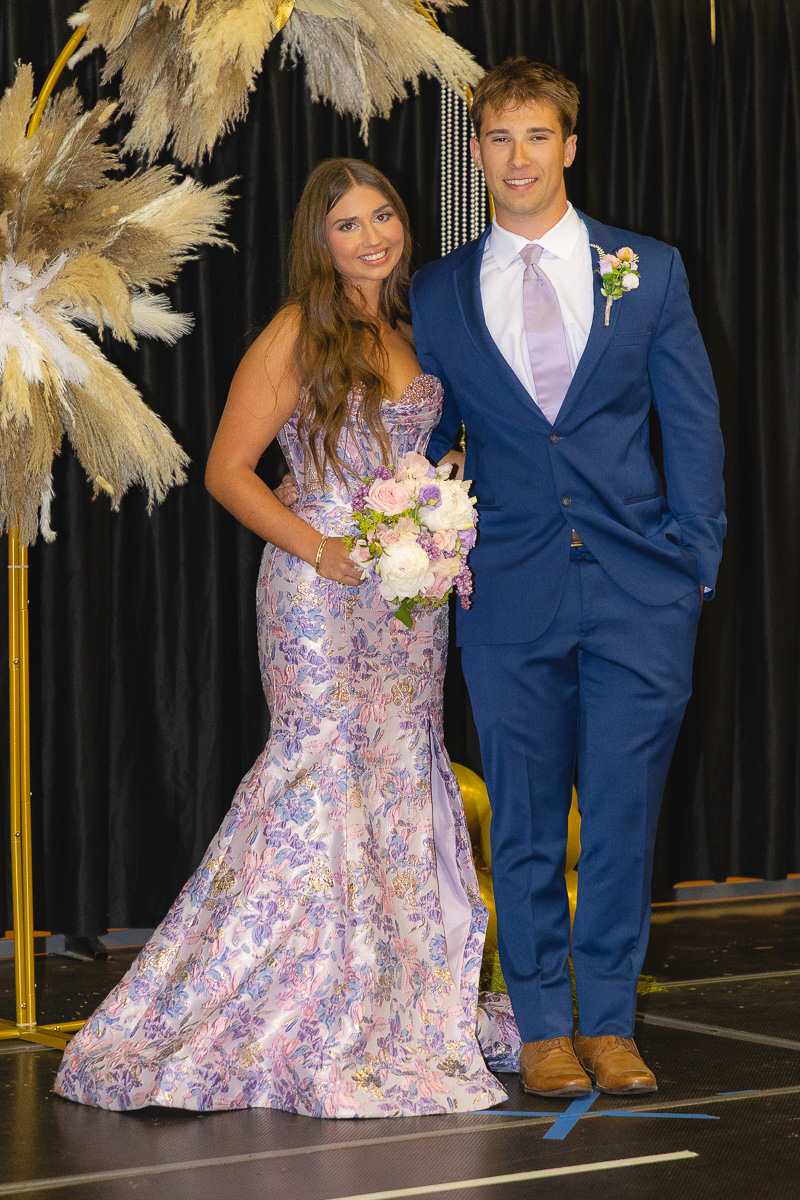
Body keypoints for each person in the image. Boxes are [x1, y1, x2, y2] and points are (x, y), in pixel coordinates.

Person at [53, 158, 507, 1117]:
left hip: (408, 593)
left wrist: (443, 476)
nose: (372, 235)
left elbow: (425, 436)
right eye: (347, 224)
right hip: (318, 589)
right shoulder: (301, 329)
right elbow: (227, 469)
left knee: (393, 776)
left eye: (382, 213)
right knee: (319, 773)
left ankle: (386, 1001)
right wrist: (320, 546)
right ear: (319, 240)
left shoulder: (414, 321)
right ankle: (282, 1006)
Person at [409, 59, 725, 1098]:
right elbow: (433, 438)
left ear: (568, 148)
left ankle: (610, 1021)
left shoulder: (649, 268)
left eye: (535, 136)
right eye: (497, 139)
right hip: (507, 595)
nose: (516, 158)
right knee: (528, 818)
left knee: (625, 814)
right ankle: (542, 1022)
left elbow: (690, 425)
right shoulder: (441, 292)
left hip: (641, 593)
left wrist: (692, 565)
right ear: (475, 154)